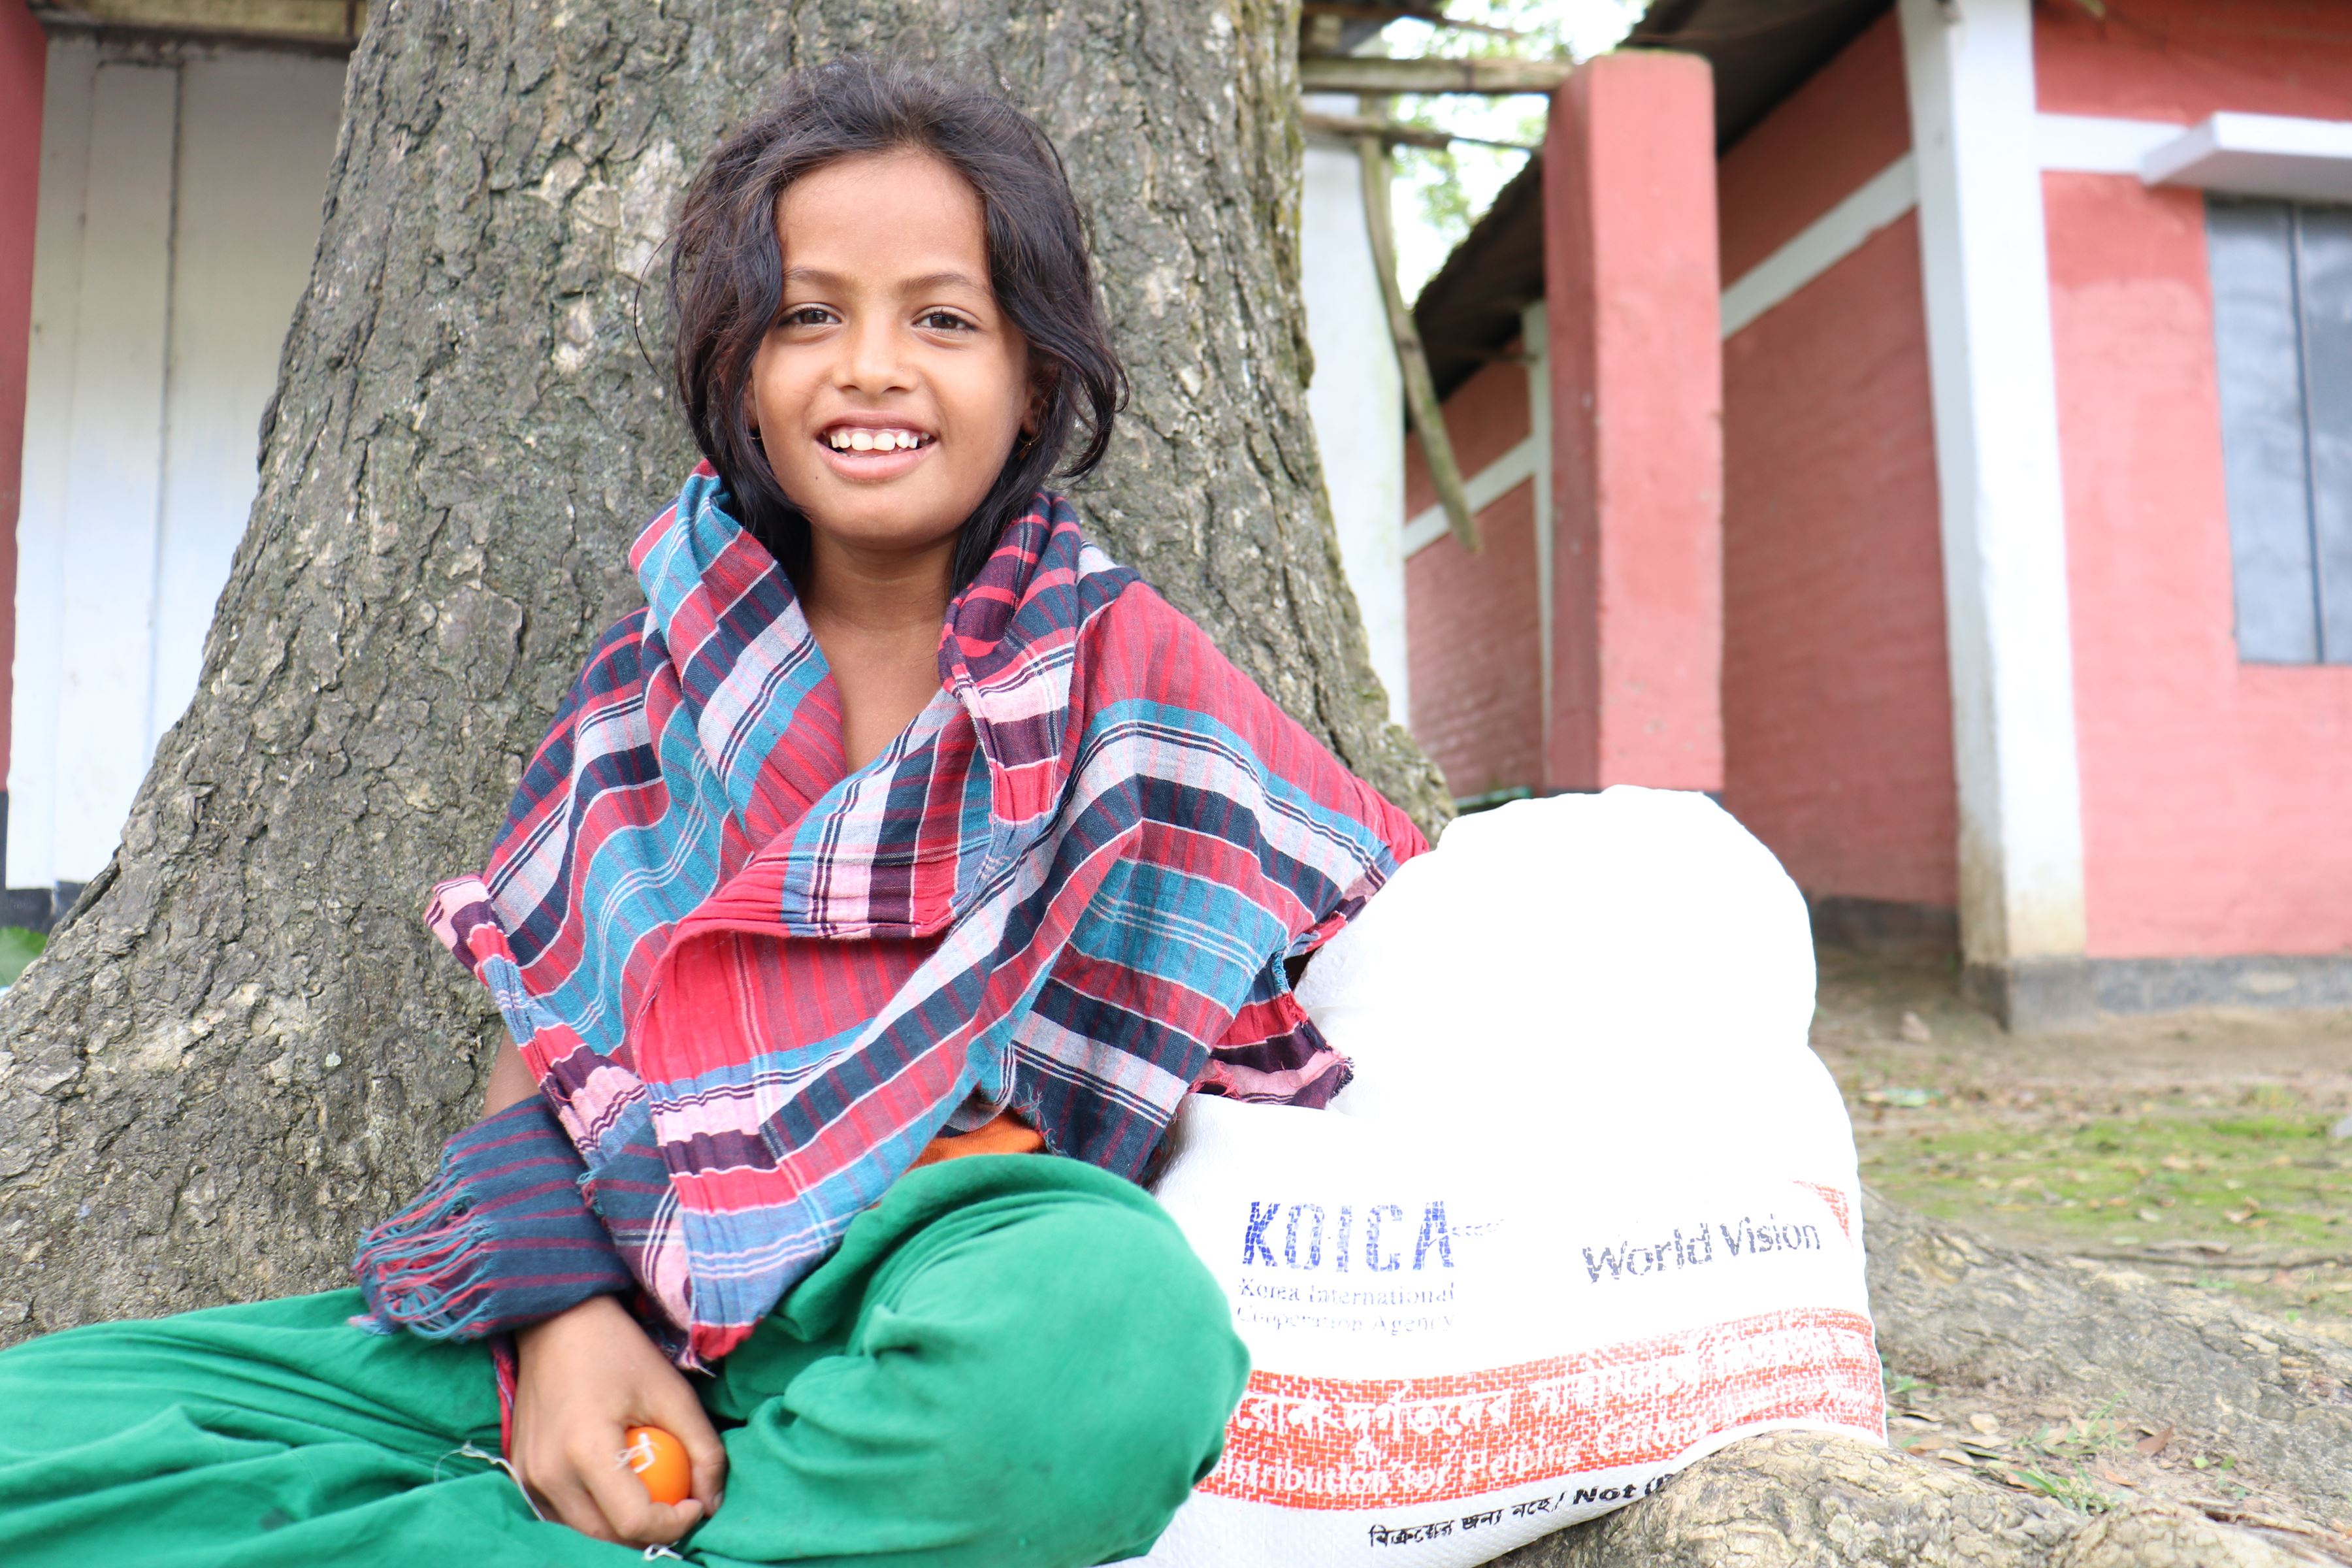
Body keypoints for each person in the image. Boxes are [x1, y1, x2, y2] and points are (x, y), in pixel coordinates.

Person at [0, 56, 1424, 1568]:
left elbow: (1359, 913)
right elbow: (547, 1036)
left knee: (1112, 1336)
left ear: (1034, 376)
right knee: (38, 1432)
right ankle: (585, 1517)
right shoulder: (654, 682)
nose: (872, 366)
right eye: (811, 315)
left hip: (937, 1287)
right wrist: (559, 1327)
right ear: (742, 366)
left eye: (942, 318)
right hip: (622, 1281)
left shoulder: (1135, 671)